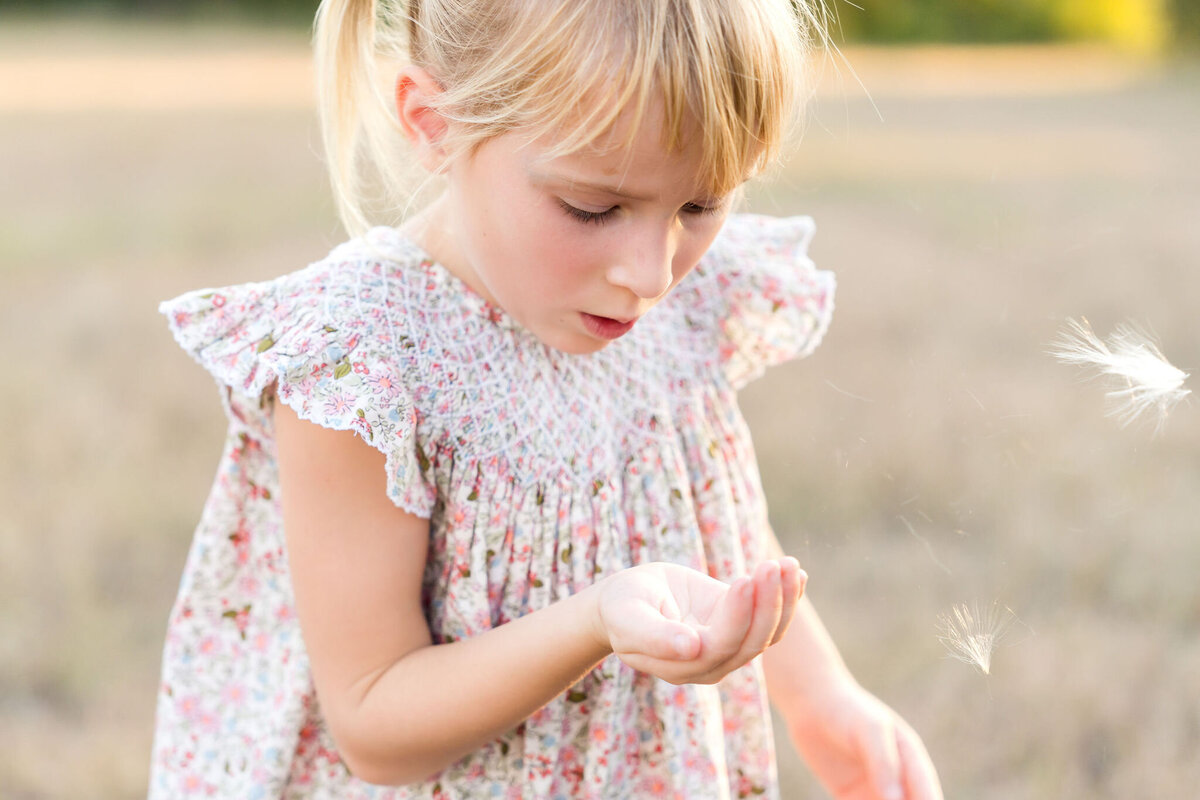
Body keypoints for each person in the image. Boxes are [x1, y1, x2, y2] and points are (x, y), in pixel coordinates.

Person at [150, 0, 943, 798]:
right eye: (593, 208)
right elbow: (372, 724)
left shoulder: (677, 310)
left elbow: (714, 513)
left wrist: (821, 694)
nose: (652, 274)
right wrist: (596, 620)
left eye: (700, 205)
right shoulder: (368, 361)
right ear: (433, 124)